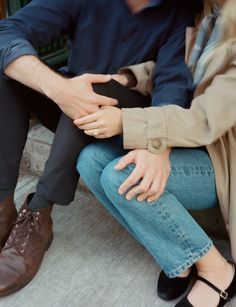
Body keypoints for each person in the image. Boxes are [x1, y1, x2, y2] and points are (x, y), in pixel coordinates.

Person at [0, 0, 202, 297]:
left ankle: (38, 216)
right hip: (73, 109)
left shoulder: (179, 10)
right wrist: (59, 89)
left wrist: (159, 144)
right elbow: (6, 31)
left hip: (126, 121)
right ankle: (3, 205)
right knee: (9, 73)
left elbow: (172, 85)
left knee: (93, 89)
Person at [77, 0, 236, 306]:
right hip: (189, 141)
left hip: (222, 162)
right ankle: (180, 257)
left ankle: (219, 271)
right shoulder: (206, 14)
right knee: (91, 160)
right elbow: (182, 70)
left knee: (121, 175)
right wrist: (128, 79)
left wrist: (126, 121)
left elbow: (204, 120)